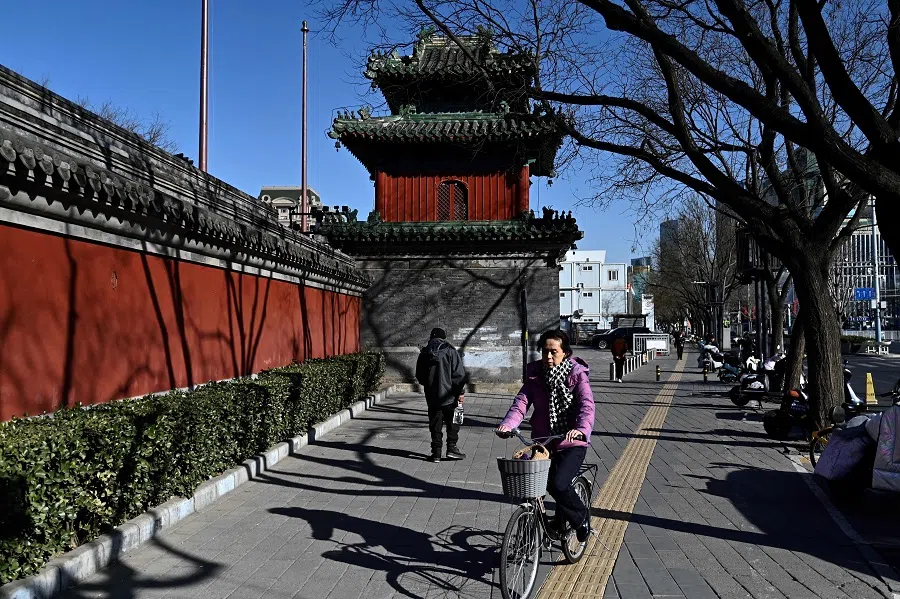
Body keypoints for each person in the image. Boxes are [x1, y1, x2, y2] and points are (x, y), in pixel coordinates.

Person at [495, 330, 595, 543]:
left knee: (558, 484)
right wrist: (508, 425)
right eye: (545, 352)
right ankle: (528, 532)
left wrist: (580, 429)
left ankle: (581, 519)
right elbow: (521, 403)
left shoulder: (577, 375)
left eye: (553, 352)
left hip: (571, 442)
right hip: (544, 442)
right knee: (529, 480)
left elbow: (587, 406)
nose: (548, 357)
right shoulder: (535, 377)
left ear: (565, 353)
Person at [415, 327, 468, 462]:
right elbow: (459, 374)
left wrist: (430, 385)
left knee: (435, 424)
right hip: (450, 395)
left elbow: (420, 376)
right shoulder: (451, 351)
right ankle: (452, 447)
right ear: (443, 337)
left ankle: (436, 453)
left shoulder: (425, 353)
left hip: (432, 397)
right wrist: (460, 392)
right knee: (454, 421)